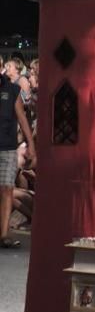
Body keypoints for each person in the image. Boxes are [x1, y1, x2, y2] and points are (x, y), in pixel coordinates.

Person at [1, 65, 36, 248]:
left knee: (7, 189)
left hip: (7, 147)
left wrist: (31, 145)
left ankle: (4, 234)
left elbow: (22, 118)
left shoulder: (13, 90)